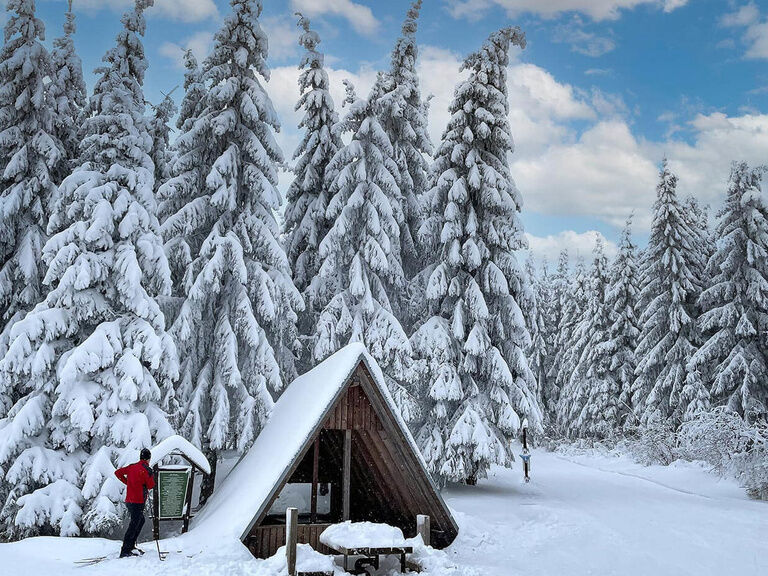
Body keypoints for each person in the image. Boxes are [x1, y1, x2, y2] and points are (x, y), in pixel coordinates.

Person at [115, 448, 155, 558]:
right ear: (148, 459)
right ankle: (125, 550)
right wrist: (151, 475)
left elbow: (117, 473)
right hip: (139, 500)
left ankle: (130, 547)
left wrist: (127, 482)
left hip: (130, 500)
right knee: (134, 524)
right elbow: (151, 485)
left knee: (140, 521)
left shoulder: (132, 467)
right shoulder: (146, 469)